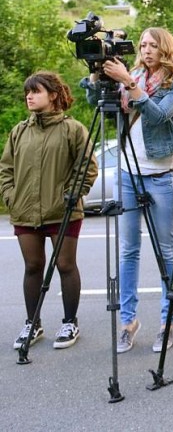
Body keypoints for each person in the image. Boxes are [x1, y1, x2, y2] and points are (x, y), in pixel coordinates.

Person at [83, 27, 173, 354]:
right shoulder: (131, 74)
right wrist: (96, 78)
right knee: (128, 250)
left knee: (165, 251)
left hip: (159, 174)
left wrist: (129, 84)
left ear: (166, 50)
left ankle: (167, 321)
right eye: (142, 45)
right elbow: (99, 105)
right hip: (128, 174)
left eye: (152, 45)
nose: (145, 50)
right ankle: (128, 321)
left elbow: (158, 116)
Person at [1, 72, 98, 350]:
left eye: (36, 91)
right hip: (25, 211)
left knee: (65, 265)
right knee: (32, 267)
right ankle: (32, 323)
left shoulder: (73, 129)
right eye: (27, 93)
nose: (29, 97)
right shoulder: (19, 131)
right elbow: (5, 169)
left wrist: (72, 195)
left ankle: (70, 322)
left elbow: (88, 168)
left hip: (63, 210)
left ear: (53, 95)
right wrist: (11, 197)